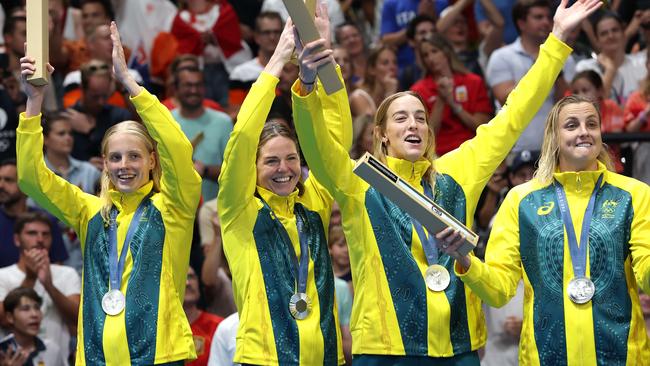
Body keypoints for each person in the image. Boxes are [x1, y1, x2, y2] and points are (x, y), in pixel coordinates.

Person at [292, 0, 601, 363]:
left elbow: (514, 114)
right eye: (401, 118)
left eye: (420, 118)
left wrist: (557, 41)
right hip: (384, 349)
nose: (413, 125)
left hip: (457, 347)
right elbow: (317, 146)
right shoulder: (359, 181)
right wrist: (310, 81)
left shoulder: (459, 170)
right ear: (382, 134)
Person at [17, 21, 202, 365]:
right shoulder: (90, 211)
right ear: (104, 163)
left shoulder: (174, 205)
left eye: (134, 155)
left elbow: (178, 149)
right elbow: (31, 179)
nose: (124, 165)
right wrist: (34, 101)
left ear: (151, 160)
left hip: (160, 355)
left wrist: (132, 86)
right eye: (115, 157)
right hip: (97, 357)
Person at [451, 93, 650, 364]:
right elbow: (499, 290)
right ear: (553, 137)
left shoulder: (634, 195)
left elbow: (646, 278)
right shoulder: (521, 201)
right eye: (572, 125)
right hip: (545, 357)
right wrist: (466, 261)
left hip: (624, 357)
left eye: (591, 124)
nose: (584, 132)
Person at [217, 8, 351, 364]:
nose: (284, 170)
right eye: (271, 161)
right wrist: (277, 61)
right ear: (254, 166)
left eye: (291, 159)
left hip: (326, 358)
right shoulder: (238, 209)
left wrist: (324, 64)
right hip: (264, 359)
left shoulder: (315, 200)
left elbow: (334, 141)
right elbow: (243, 136)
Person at [0, 212, 80, 361]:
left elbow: (79, 319)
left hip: (56, 360)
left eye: (46, 234)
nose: (39, 239)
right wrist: (31, 278)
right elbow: (5, 319)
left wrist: (49, 285)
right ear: (17, 239)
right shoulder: (2, 276)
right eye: (32, 233)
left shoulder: (67, 274)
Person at [411, 34, 492, 156]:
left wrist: (454, 105)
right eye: (425, 55)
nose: (431, 58)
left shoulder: (473, 82)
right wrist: (441, 99)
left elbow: (481, 126)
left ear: (446, 52)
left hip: (472, 149)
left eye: (434, 51)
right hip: (439, 154)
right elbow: (426, 136)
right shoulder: (419, 90)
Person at [0, 287, 67, 366]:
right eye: (25, 309)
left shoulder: (52, 350)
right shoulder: (2, 350)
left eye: (37, 308)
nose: (34, 314)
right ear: (10, 317)